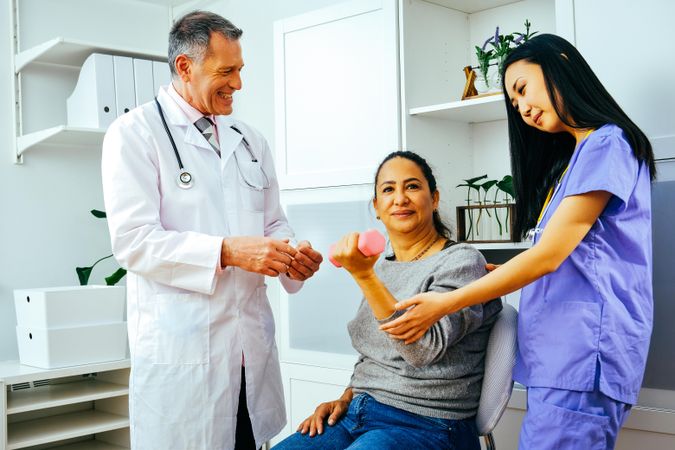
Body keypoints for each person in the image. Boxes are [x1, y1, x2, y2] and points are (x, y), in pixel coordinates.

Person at [381, 34, 655, 450]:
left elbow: (548, 257)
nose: (522, 108)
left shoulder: (606, 143)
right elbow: (572, 258)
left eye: (523, 89)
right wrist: (502, 272)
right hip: (561, 359)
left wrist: (447, 302)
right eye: (514, 103)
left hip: (582, 355)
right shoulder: (575, 160)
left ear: (560, 63)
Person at [101, 11, 323, 450]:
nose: (238, 84)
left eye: (240, 70)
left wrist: (291, 256)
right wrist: (226, 251)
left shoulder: (249, 139)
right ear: (185, 67)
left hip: (248, 355)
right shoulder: (135, 134)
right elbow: (133, 242)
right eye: (227, 71)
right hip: (184, 359)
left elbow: (273, 220)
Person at [273, 151, 503, 450]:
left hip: (428, 422)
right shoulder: (382, 266)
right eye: (388, 190)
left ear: (433, 199)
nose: (400, 198)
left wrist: (364, 276)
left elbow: (421, 351)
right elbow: (375, 353)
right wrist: (347, 397)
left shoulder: (461, 262)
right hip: (358, 413)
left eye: (412, 187)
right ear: (377, 207)